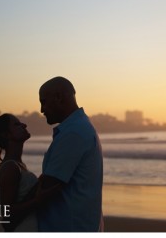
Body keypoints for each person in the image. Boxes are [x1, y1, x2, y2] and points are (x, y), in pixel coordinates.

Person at [37, 76, 104, 232]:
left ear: (59, 98)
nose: (41, 110)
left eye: (44, 102)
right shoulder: (78, 128)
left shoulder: (73, 133)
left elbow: (48, 185)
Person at [0, 113, 52, 232]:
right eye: (17, 124)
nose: (24, 125)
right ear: (6, 134)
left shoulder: (18, 165)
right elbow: (7, 212)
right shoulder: (11, 167)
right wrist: (38, 200)